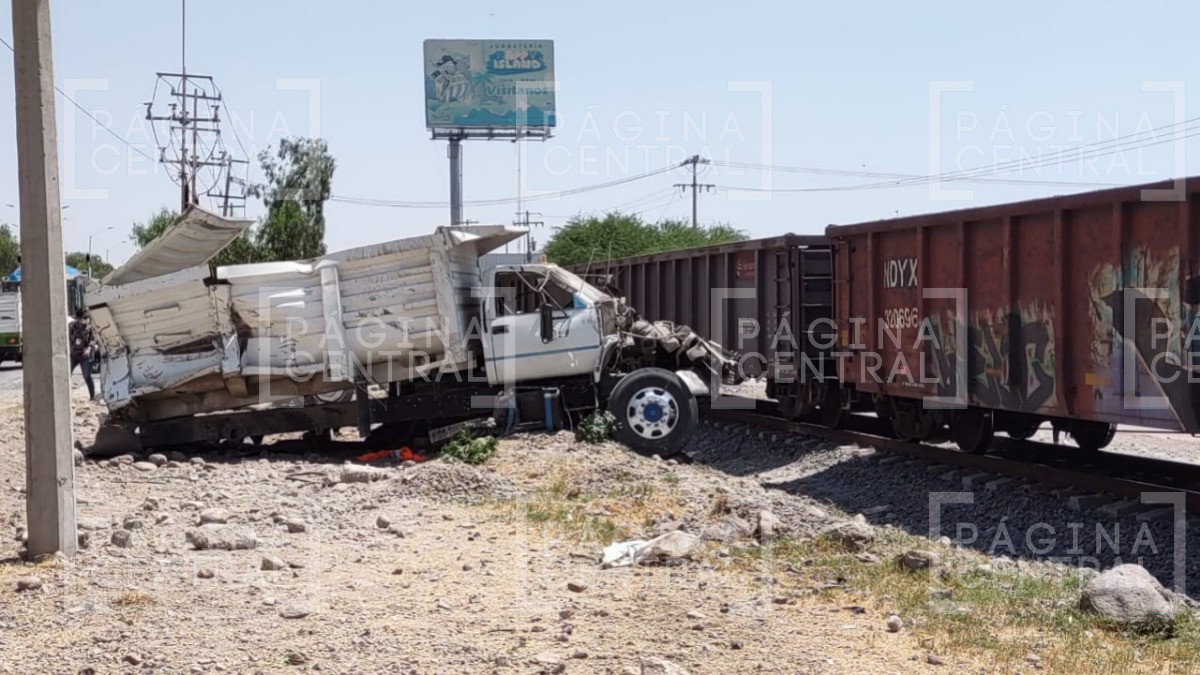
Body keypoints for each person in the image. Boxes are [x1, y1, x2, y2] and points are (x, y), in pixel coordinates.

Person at [69, 308, 98, 400]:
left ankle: (92, 397)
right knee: (65, 374)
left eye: (86, 318)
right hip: (73, 354)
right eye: (82, 318)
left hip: (85, 356)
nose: (84, 320)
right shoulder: (71, 326)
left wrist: (89, 349)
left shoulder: (90, 328)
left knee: (86, 375)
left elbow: (93, 340)